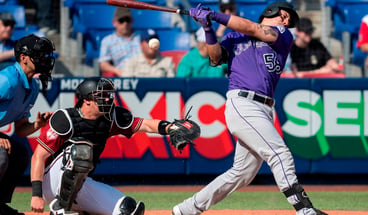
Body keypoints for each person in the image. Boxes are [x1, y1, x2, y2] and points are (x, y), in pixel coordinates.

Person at [172, 2, 327, 215]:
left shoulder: (283, 34)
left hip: (263, 107)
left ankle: (186, 209)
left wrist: (214, 15)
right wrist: (208, 28)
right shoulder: (234, 37)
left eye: (289, 18)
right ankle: (304, 209)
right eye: (285, 15)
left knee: (242, 173)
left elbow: (252, 28)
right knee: (279, 153)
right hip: (242, 102)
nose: (287, 20)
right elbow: (215, 58)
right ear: (272, 11)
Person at [30, 77, 199, 215]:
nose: (108, 99)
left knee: (128, 210)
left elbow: (145, 125)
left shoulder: (111, 117)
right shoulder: (65, 118)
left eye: (108, 95)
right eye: (101, 95)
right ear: (87, 100)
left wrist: (170, 128)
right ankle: (60, 207)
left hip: (79, 184)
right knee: (82, 151)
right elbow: (38, 156)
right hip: (50, 182)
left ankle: (76, 210)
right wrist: (36, 194)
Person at [0, 34, 55, 215]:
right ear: (23, 58)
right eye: (39, 55)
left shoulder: (33, 86)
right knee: (1, 156)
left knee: (20, 153)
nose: (45, 59)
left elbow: (21, 130)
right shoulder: (7, 80)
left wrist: (37, 125)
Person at [99, 7, 141, 77]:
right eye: (121, 20)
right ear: (114, 23)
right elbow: (103, 64)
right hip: (125, 74)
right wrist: (116, 70)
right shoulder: (108, 40)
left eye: (127, 20)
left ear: (132, 21)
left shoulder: (142, 36)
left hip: (145, 72)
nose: (125, 23)